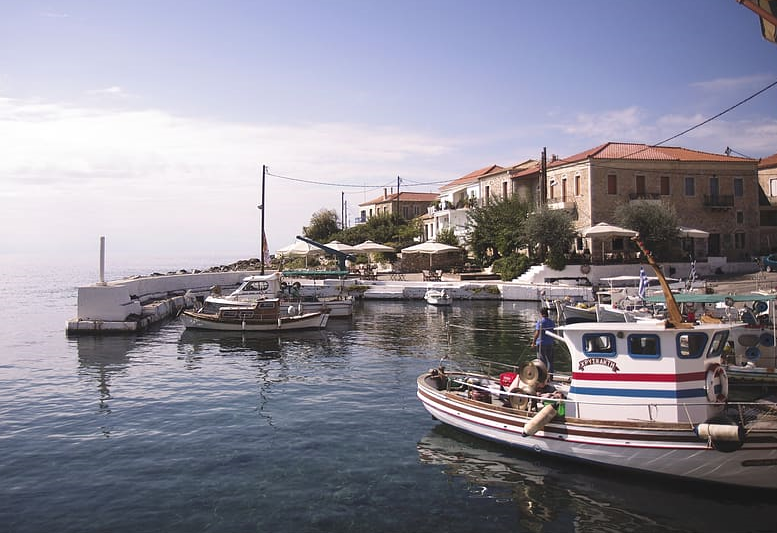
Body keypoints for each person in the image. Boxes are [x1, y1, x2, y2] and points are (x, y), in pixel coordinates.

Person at [531, 307, 555, 374]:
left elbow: (537, 333)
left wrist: (533, 343)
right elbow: (554, 333)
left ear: (541, 313)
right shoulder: (552, 322)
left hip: (542, 343)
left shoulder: (540, 322)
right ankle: (550, 376)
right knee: (550, 360)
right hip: (550, 343)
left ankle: (543, 376)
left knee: (542, 360)